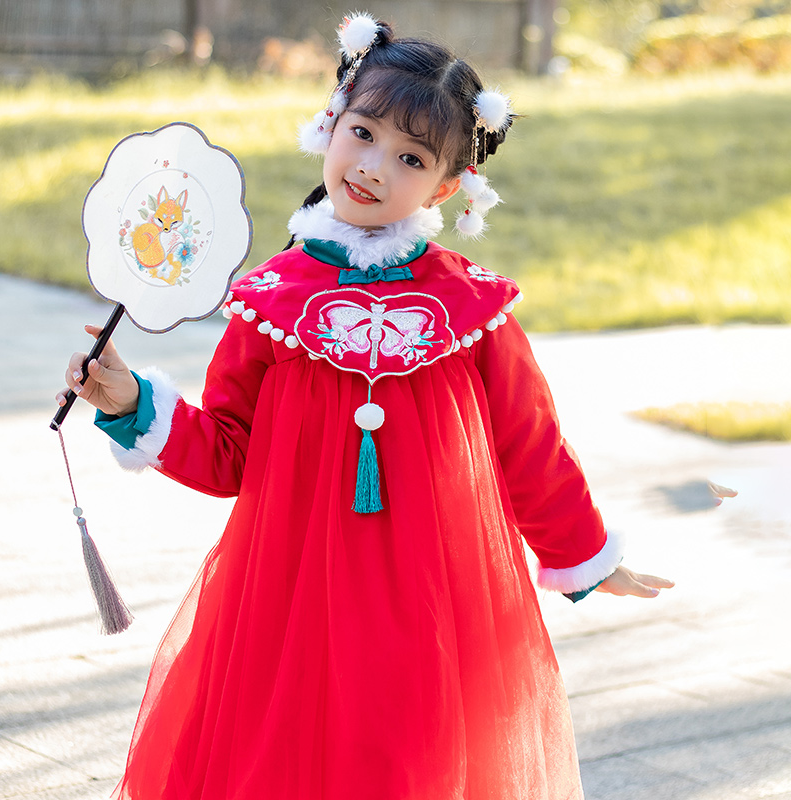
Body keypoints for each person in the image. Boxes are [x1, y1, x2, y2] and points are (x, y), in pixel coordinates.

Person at [58, 13, 673, 800]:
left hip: (431, 596)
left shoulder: (471, 309)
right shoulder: (271, 300)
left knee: (407, 757)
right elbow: (227, 453)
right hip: (286, 593)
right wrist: (130, 400)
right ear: (329, 125)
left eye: (410, 157)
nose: (375, 167)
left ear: (448, 186)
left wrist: (589, 556)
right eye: (363, 133)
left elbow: (532, 445)